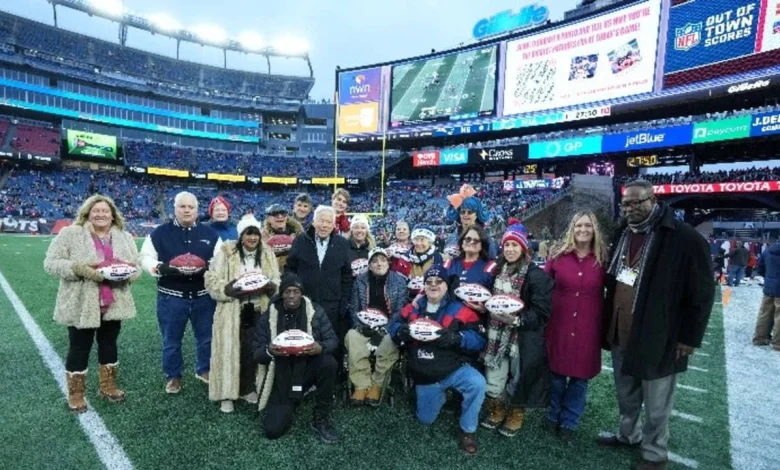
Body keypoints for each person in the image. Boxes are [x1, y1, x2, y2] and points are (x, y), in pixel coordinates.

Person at [599, 180, 715, 470]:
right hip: (621, 329)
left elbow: (702, 292)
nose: (631, 208)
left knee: (656, 402)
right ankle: (629, 436)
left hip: (658, 335)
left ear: (654, 199)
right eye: (626, 203)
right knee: (626, 393)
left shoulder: (684, 238)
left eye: (638, 202)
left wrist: (689, 337)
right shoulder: (622, 232)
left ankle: (655, 454)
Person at [44, 195, 141, 413]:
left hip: (114, 302)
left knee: (109, 344)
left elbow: (136, 265)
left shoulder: (124, 236)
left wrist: (129, 274)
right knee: (79, 347)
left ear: (112, 214)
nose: (101, 214)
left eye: (105, 211)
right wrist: (78, 269)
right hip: (82, 302)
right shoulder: (70, 233)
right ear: (87, 213)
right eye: (96, 211)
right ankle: (76, 394)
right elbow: (50, 264)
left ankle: (108, 386)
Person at [388, 265, 486, 455]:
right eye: (429, 282)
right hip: (426, 373)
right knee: (425, 419)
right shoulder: (414, 306)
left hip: (453, 368)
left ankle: (468, 430)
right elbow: (394, 325)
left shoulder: (460, 308)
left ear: (447, 285)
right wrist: (400, 332)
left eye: (438, 281)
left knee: (477, 383)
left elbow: (479, 340)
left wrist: (457, 338)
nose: (433, 285)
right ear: (424, 286)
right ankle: (438, 397)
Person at [140, 191, 222, 394]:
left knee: (206, 337)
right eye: (182, 206)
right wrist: (161, 267)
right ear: (175, 208)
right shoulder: (159, 233)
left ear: (197, 210)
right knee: (171, 340)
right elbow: (145, 257)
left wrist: (207, 267)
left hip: (203, 296)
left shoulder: (210, 234)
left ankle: (204, 369)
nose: (187, 210)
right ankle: (173, 376)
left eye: (191, 207)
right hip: (171, 296)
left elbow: (221, 260)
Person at [480, 221, 553, 438]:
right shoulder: (496, 271)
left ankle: (516, 412)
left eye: (515, 245)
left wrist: (518, 320)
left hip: (520, 337)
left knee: (518, 378)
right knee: (494, 378)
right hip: (495, 332)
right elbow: (488, 300)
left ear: (523, 248)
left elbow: (542, 312)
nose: (510, 249)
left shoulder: (535, 275)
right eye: (507, 245)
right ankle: (498, 408)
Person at [205, 215, 280, 413]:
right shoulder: (226, 251)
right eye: (248, 233)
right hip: (231, 310)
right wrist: (229, 289)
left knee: (251, 352)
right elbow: (211, 279)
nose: (253, 238)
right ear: (241, 235)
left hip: (258, 309)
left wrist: (272, 287)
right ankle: (226, 394)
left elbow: (276, 280)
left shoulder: (267, 253)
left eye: (255, 233)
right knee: (228, 351)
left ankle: (248, 388)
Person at [252, 273, 339, 443]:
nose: (291, 296)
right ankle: (293, 396)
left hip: (307, 367)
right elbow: (256, 353)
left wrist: (320, 347)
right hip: (281, 374)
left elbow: (333, 340)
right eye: (287, 291)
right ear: (281, 294)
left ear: (302, 293)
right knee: (272, 430)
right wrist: (269, 350)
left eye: (296, 291)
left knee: (329, 363)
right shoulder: (269, 315)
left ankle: (321, 417)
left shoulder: (315, 311)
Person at [543, 211, 607, 440]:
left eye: (588, 225)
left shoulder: (602, 257)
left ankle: (570, 420)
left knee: (580, 378)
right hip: (559, 321)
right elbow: (543, 286)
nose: (583, 229)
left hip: (588, 324)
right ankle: (553, 414)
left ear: (594, 229)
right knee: (557, 374)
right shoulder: (558, 255)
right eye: (579, 225)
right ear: (572, 228)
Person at [285, 205, 353, 361]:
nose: (324, 225)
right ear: (314, 222)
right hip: (306, 301)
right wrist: (294, 295)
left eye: (328, 222)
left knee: (329, 344)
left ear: (333, 225)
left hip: (332, 304)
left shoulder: (342, 244)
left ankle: (329, 380)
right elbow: (290, 268)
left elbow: (346, 275)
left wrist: (343, 302)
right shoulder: (301, 240)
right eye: (321, 221)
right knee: (305, 339)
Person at [345, 248, 406, 405]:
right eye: (374, 261)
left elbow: (400, 310)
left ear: (388, 262)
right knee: (353, 337)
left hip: (387, 326)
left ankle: (377, 383)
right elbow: (353, 307)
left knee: (388, 341)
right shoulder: (360, 280)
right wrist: (360, 325)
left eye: (383, 260)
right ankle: (361, 384)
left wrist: (384, 328)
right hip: (365, 323)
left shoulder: (398, 281)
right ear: (369, 265)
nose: (379, 264)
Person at [444, 224, 497, 317]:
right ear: (462, 242)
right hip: (449, 316)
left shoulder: (491, 266)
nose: (471, 242)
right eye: (468, 239)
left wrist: (485, 308)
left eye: (476, 241)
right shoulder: (449, 264)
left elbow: (496, 298)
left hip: (476, 320)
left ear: (482, 245)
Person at [445, 184, 497, 258]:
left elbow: (491, 263)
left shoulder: (485, 239)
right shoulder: (452, 237)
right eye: (463, 212)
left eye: (470, 212)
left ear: (476, 215)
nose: (465, 215)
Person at [391, 224, 443, 300]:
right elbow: (398, 284)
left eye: (422, 240)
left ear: (430, 242)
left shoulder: (438, 258)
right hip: (408, 299)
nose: (418, 243)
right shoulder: (405, 258)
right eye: (416, 239)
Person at [754, 242, 780, 350]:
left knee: (765, 313)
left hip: (769, 287)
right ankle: (777, 343)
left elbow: (760, 268)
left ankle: (760, 338)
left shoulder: (768, 250)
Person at [263, 203, 303, 270]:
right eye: (275, 214)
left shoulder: (299, 234)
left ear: (287, 217)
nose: (280, 216)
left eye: (283, 214)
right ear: (268, 219)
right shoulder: (262, 237)